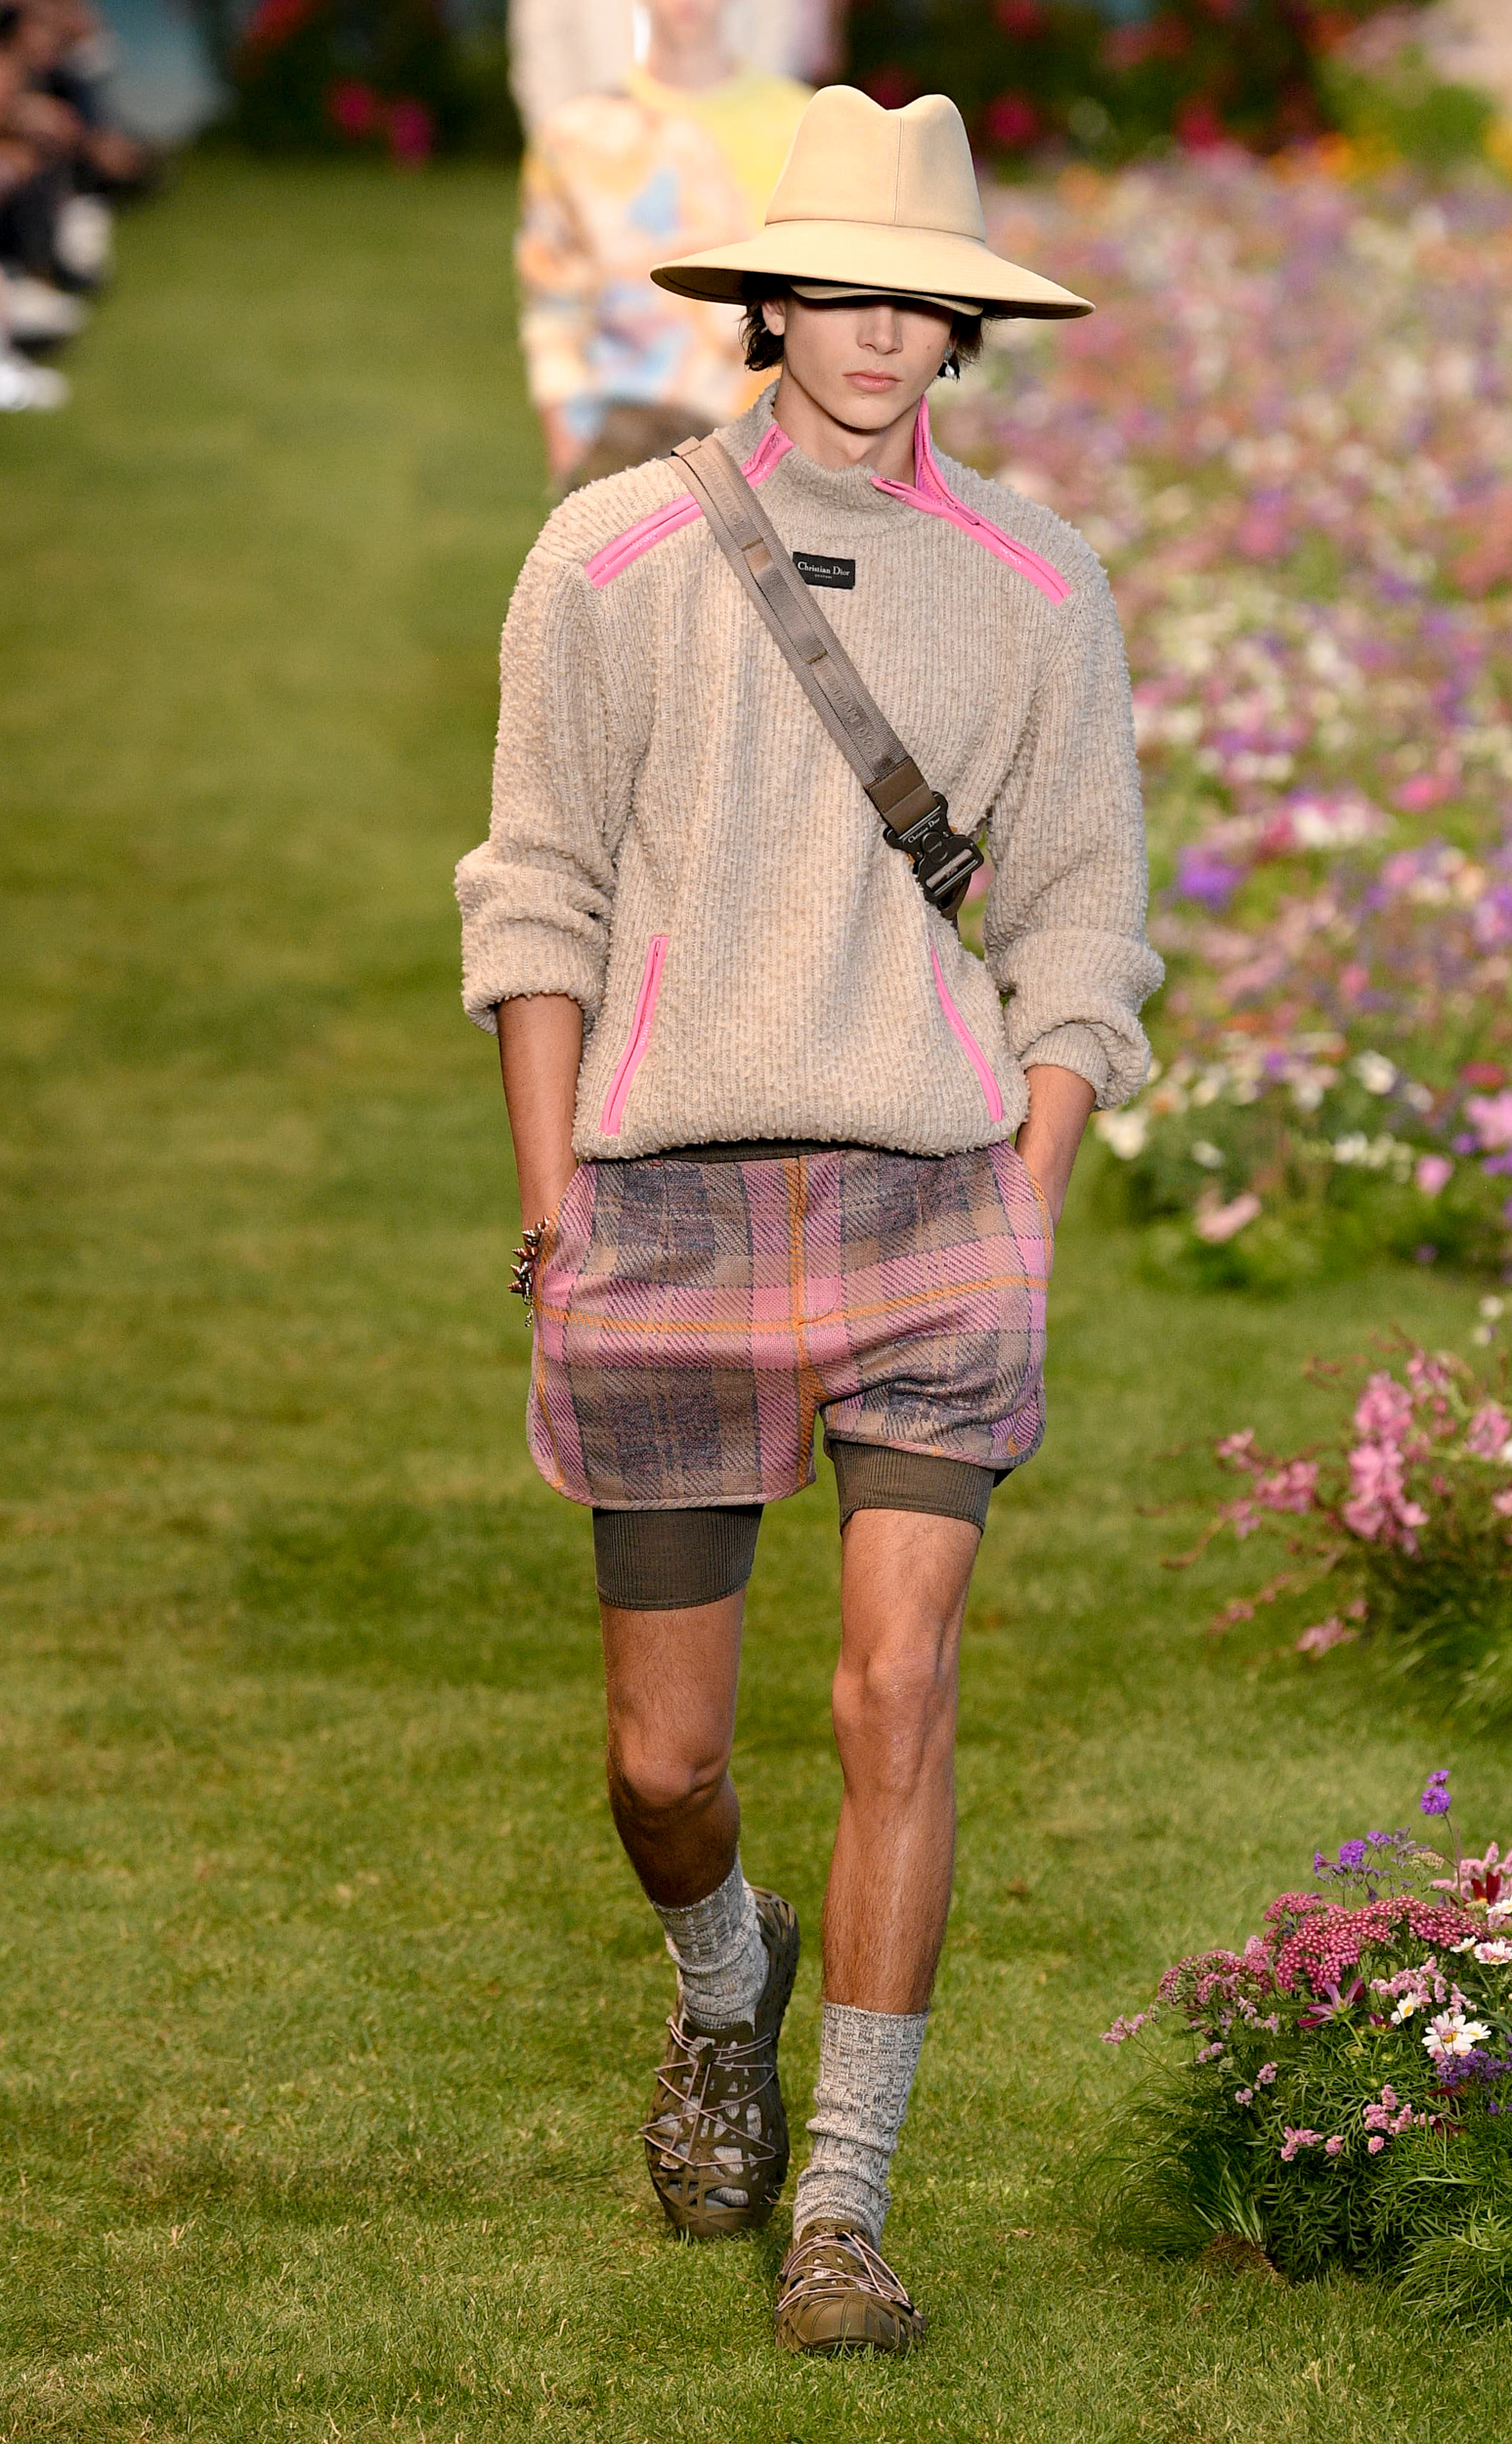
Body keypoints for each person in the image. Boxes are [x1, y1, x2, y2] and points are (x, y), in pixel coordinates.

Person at [455, 83, 1161, 2352]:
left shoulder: (1038, 585)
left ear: (962, 326)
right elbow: (535, 893)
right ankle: (717, 1974)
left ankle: (843, 2203)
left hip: (927, 1201)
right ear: (767, 301)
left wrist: (1026, 1195)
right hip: (660, 1205)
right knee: (661, 1762)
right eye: (835, 288)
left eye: (914, 299)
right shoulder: (608, 559)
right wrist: (552, 1203)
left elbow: (1080, 924)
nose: (874, 331)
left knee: (896, 1691)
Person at [513, 0, 808, 487]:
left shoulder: (803, 127)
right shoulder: (574, 137)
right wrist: (570, 453)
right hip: (621, 449)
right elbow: (554, 310)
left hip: (767, 447)